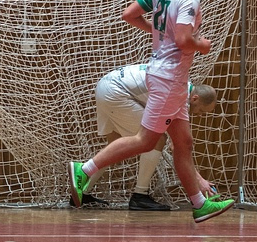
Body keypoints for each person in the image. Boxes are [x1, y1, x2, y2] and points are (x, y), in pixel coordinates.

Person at [68, 0, 234, 223]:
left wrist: (159, 32)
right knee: (146, 141)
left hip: (166, 75)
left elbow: (129, 14)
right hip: (170, 77)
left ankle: (199, 204)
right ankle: (84, 170)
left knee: (184, 143)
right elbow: (183, 40)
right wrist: (202, 45)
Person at [79, 63, 218, 210]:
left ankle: (81, 192)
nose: (199, 115)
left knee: (114, 145)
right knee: (157, 139)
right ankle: (140, 195)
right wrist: (199, 180)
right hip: (117, 92)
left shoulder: (179, 83)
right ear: (195, 98)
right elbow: (178, 147)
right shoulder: (179, 97)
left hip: (106, 85)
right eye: (201, 110)